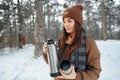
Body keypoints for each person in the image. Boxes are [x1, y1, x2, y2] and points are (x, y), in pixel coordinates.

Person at [43, 4, 102, 80]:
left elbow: (95, 72)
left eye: (69, 21)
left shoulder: (89, 43)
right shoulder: (61, 41)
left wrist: (76, 76)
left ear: (77, 23)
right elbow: (54, 64)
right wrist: (47, 53)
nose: (66, 25)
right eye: (64, 22)